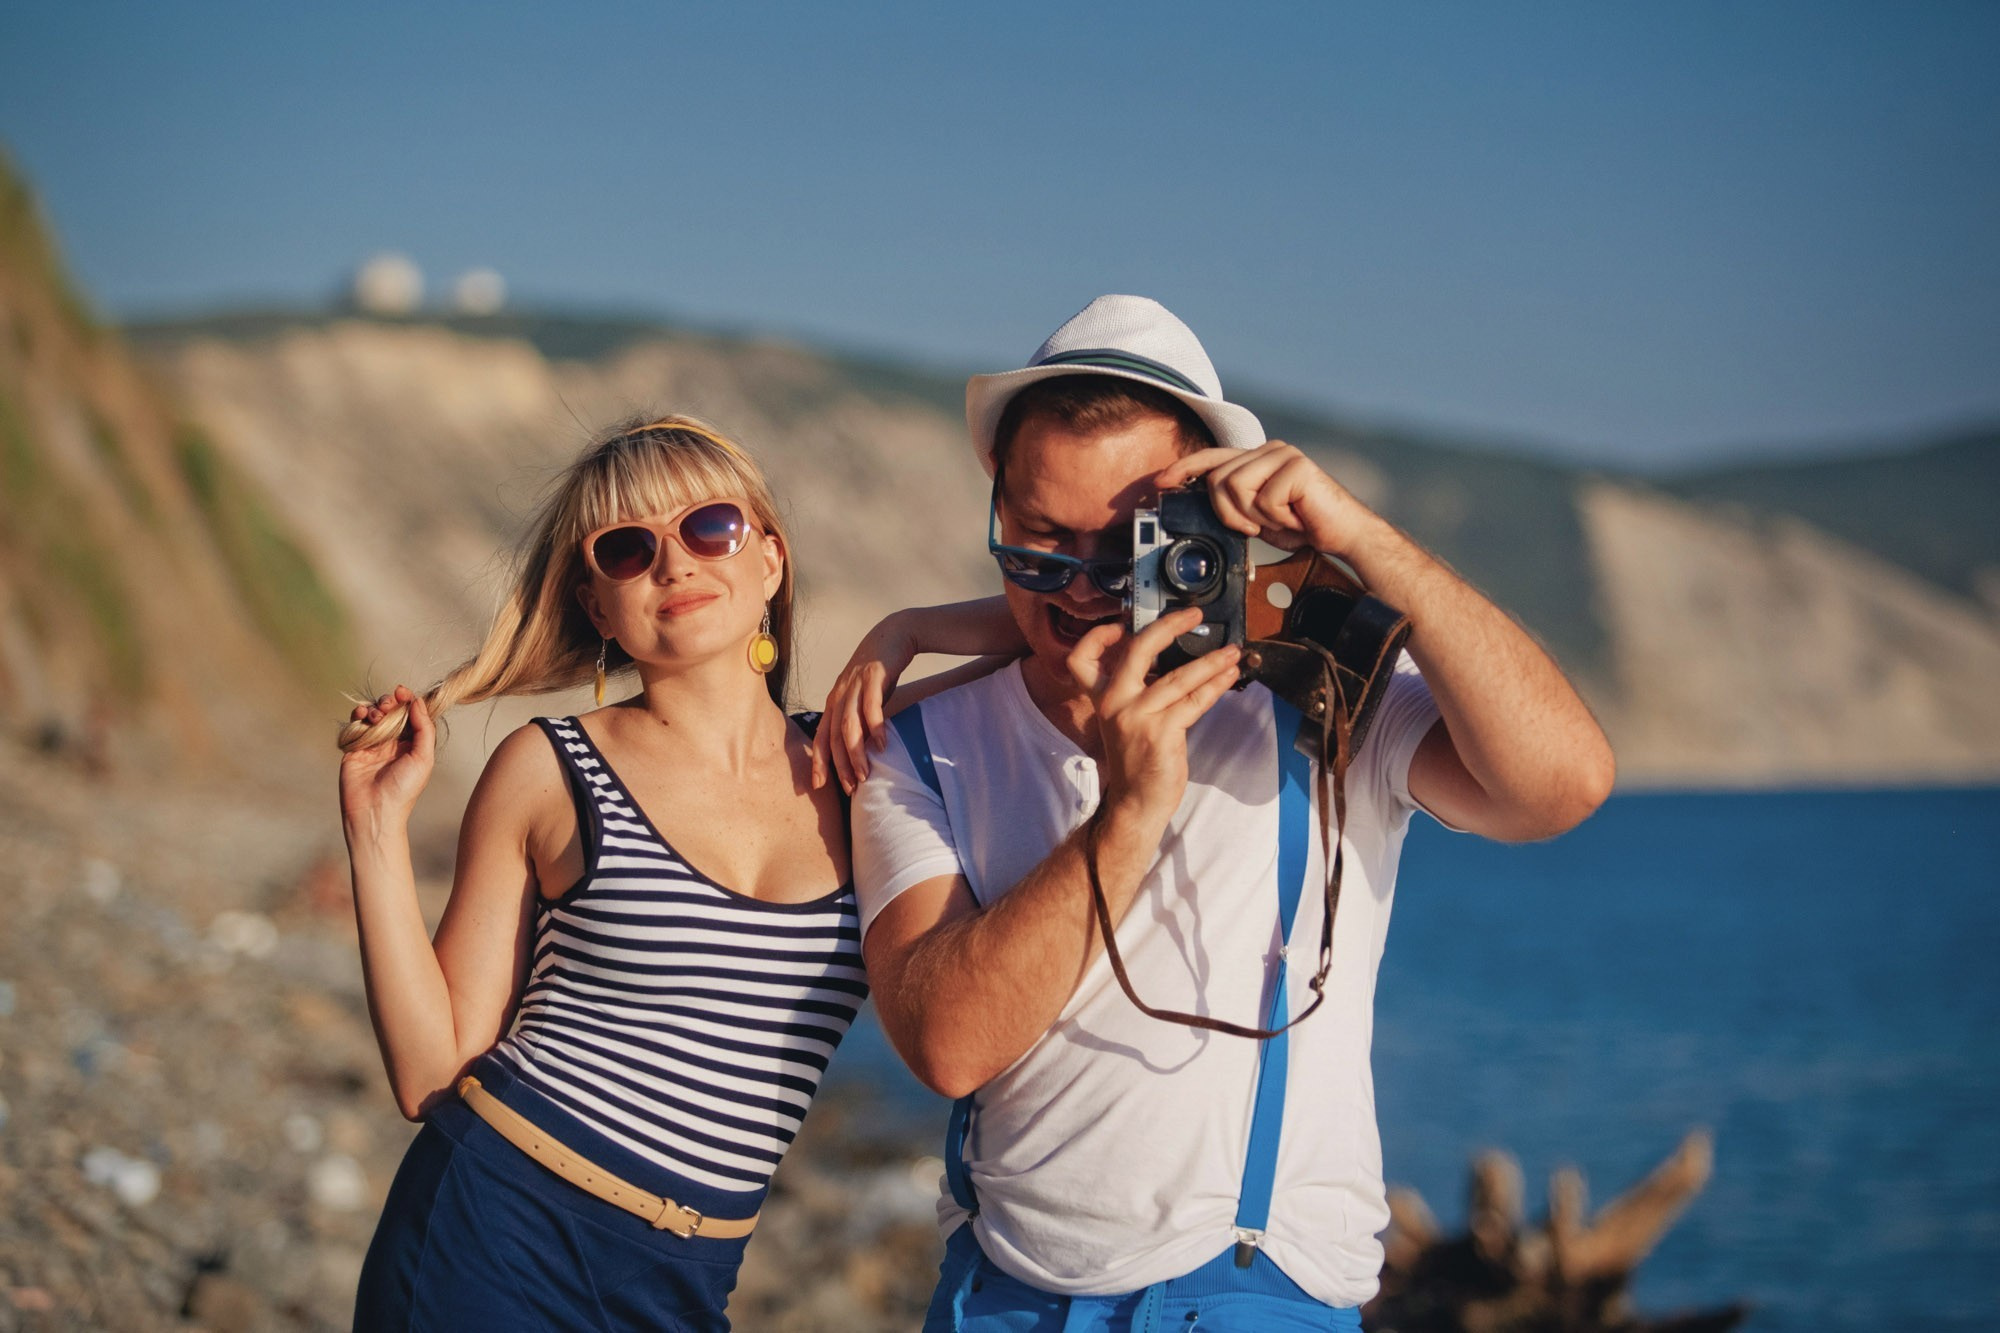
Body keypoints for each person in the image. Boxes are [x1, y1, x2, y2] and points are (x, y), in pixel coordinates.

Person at [835, 295, 1617, 1330]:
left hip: (1271, 1302)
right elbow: (948, 1043)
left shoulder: (1315, 676)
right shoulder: (913, 742)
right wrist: (1125, 816)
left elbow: (1561, 784)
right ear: (995, 500)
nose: (1075, 587)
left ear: (1198, 527)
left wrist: (1362, 542)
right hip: (1014, 1305)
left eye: (1122, 551)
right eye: (1037, 540)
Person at [337, 416, 882, 1330]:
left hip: (690, 1279)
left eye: (710, 527)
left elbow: (1041, 650)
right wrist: (374, 828)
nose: (673, 562)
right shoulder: (548, 768)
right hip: (492, 1229)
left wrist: (909, 629)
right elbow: (430, 1071)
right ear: (598, 607)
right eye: (628, 548)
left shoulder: (866, 758)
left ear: (772, 562)